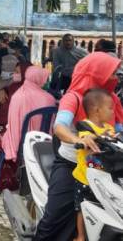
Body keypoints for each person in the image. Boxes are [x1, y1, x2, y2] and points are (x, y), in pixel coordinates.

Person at [34, 52, 123, 241]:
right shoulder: (73, 98)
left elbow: (119, 129)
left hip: (104, 169)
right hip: (72, 166)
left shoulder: (112, 100)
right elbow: (59, 127)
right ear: (97, 73)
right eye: (113, 73)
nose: (116, 78)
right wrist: (77, 140)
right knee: (53, 218)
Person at [0, 65, 53, 191]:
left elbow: (13, 127)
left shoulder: (18, 96)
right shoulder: (49, 98)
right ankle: (8, 178)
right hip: (43, 143)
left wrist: (12, 142)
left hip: (21, 143)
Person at [72, 88, 117, 241]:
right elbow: (85, 138)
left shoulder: (109, 128)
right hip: (85, 178)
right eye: (110, 108)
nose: (113, 111)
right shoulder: (86, 127)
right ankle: (80, 236)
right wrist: (89, 139)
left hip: (102, 175)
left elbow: (113, 140)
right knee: (82, 206)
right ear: (97, 110)